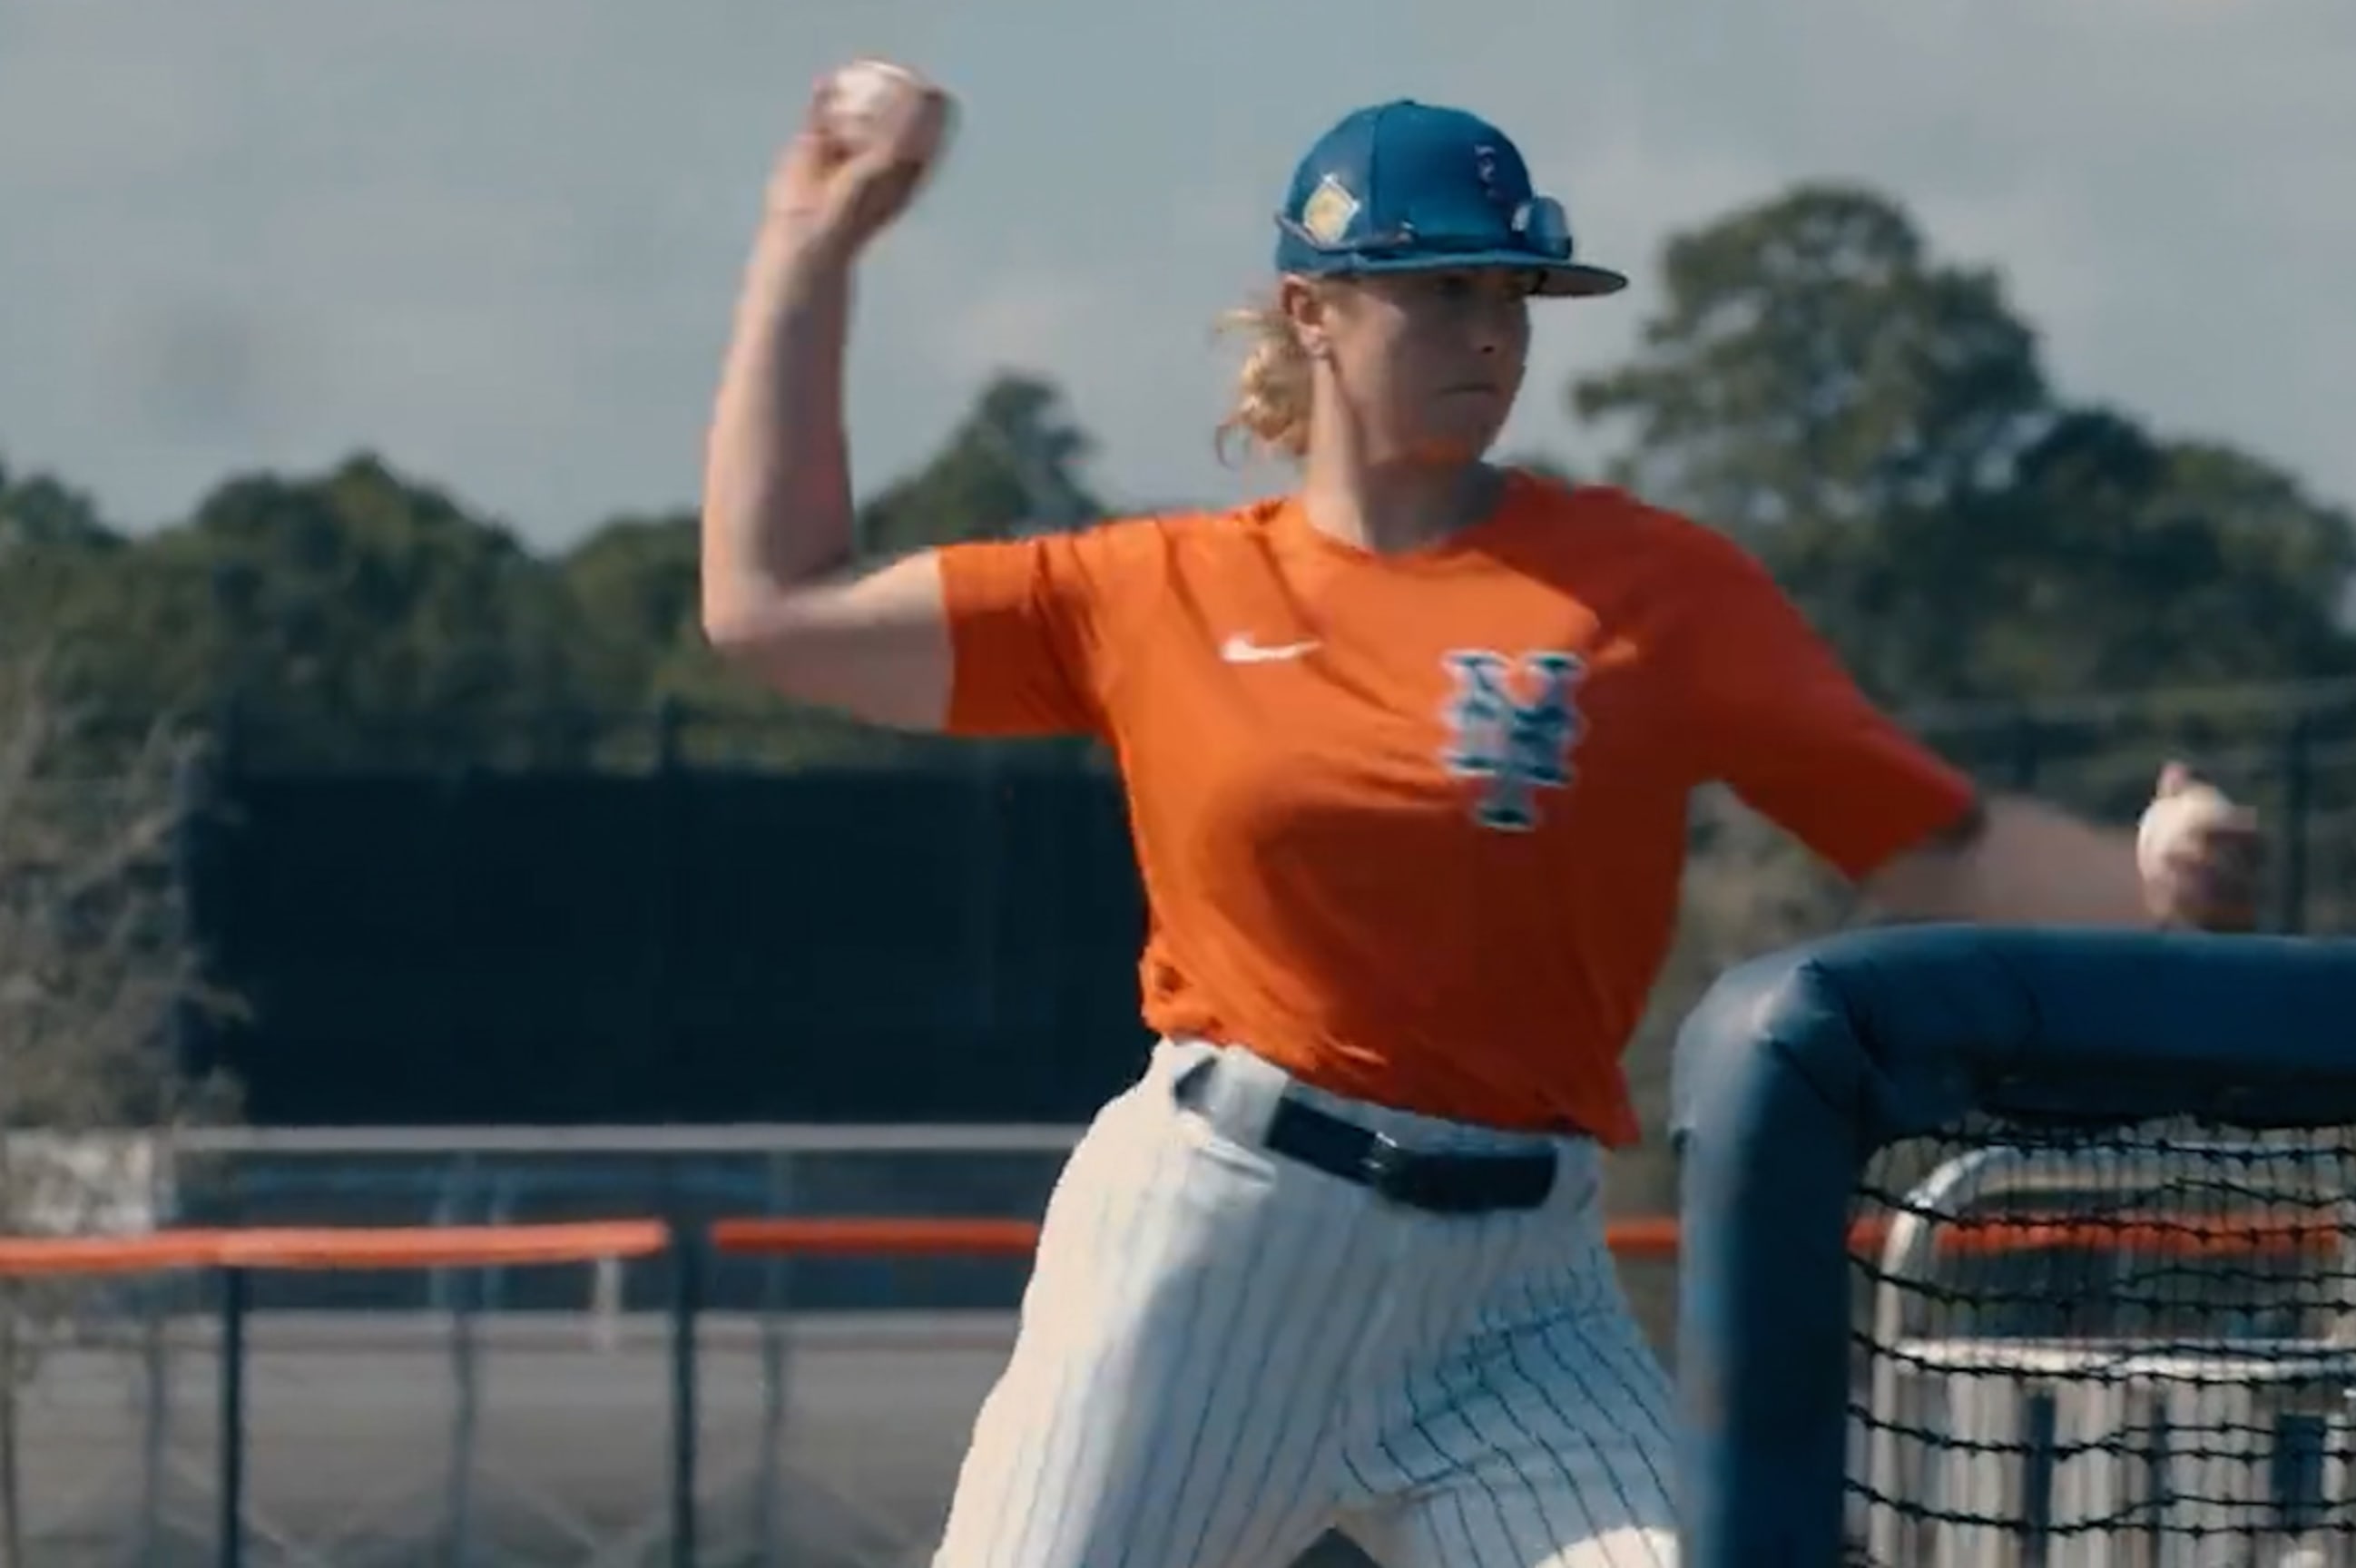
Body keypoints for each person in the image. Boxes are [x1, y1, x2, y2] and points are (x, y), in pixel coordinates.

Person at [699, 74, 2261, 1568]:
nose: (1489, 326)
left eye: (1512, 292)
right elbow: (774, 609)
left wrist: (2149, 886)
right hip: (1216, 1252)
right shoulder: (1159, 591)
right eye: (1439, 286)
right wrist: (809, 243)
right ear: (1310, 310)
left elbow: (1940, 839)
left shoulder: (1651, 591)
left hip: (1520, 1296)